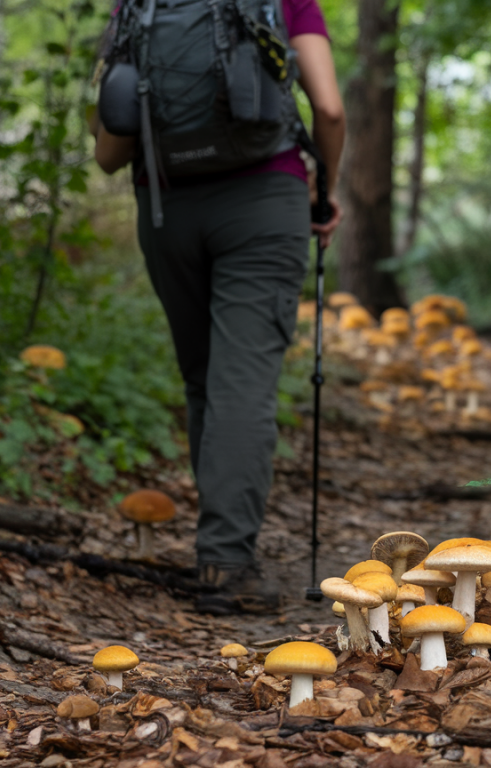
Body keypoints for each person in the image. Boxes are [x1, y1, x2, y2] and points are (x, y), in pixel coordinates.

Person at [94, 0, 345, 614]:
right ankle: (226, 562)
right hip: (264, 199)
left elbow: (109, 150)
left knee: (205, 379)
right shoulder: (289, 3)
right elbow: (331, 109)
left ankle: (217, 553)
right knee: (243, 385)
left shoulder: (139, 7)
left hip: (167, 207)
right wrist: (325, 194)